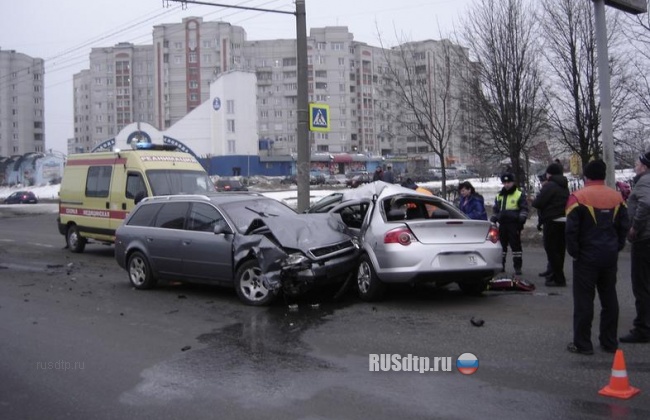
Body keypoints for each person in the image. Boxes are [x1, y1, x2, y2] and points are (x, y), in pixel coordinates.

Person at [565, 159, 629, 355]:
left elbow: (571, 230)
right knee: (609, 298)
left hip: (586, 257)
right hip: (609, 255)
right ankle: (609, 342)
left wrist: (575, 252)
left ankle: (583, 344)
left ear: (586, 176)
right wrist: (616, 246)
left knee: (584, 301)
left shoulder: (578, 197)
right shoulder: (617, 197)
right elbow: (623, 226)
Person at [620, 150, 650, 344]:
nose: (636, 166)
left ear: (645, 166)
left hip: (645, 239)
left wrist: (634, 228)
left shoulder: (645, 180)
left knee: (642, 284)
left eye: (638, 163)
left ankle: (643, 328)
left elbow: (646, 203)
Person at [532, 163, 570, 287]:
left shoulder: (550, 186)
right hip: (563, 220)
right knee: (559, 250)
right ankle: (554, 274)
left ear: (550, 173)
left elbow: (538, 202)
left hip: (552, 221)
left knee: (551, 250)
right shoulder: (564, 186)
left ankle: (558, 278)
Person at [491, 172, 528, 275]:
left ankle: (517, 267)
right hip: (502, 224)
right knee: (502, 246)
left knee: (515, 246)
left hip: (514, 223)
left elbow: (524, 208)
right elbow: (496, 209)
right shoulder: (499, 195)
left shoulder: (519, 194)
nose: (507, 184)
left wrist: (522, 218)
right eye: (505, 182)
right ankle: (501, 265)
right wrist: (494, 217)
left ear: (513, 182)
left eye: (509, 182)